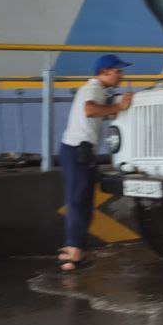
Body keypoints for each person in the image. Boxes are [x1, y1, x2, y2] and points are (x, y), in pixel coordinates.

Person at [58, 54, 132, 271]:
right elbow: (89, 110)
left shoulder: (100, 91)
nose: (121, 76)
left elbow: (100, 113)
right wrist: (119, 107)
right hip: (76, 151)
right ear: (105, 72)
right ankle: (72, 252)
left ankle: (77, 250)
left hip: (83, 153)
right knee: (78, 202)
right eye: (118, 71)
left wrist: (118, 105)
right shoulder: (92, 90)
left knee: (84, 203)